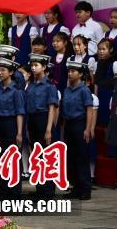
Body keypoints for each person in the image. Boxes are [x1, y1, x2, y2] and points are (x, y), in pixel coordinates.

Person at [0, 57, 25, 196]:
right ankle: (3, 188)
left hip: (12, 124)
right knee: (1, 156)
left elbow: (20, 112)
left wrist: (19, 132)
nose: (0, 72)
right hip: (0, 124)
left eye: (3, 70)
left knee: (13, 157)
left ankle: (15, 191)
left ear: (10, 72)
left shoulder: (16, 91)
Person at [24, 53, 58, 198]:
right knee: (37, 156)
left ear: (44, 67)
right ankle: (40, 188)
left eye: (36, 65)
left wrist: (49, 128)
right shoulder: (30, 85)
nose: (33, 68)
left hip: (44, 119)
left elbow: (52, 108)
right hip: (32, 120)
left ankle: (49, 190)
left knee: (47, 156)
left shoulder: (49, 86)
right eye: (32, 65)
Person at [61, 59, 95, 200]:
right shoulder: (66, 90)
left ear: (80, 74)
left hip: (80, 124)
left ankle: (85, 189)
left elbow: (89, 109)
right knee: (71, 158)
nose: (70, 73)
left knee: (82, 157)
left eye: (73, 71)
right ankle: (75, 187)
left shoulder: (84, 90)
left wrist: (87, 128)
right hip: (69, 125)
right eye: (69, 71)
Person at [95, 38, 116, 128]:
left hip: (110, 94)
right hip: (100, 93)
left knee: (108, 119)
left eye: (104, 49)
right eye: (99, 49)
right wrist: (95, 95)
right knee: (100, 119)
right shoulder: (99, 63)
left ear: (111, 50)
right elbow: (96, 80)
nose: (101, 52)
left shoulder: (114, 63)